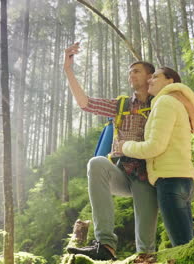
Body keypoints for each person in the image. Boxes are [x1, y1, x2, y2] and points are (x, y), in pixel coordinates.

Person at [63, 42, 159, 260]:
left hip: (149, 176)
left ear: (150, 76)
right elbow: (85, 103)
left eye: (136, 71)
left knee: (146, 248)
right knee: (96, 163)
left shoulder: (162, 104)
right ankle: (105, 244)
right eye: (129, 72)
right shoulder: (121, 105)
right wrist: (68, 70)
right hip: (122, 172)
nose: (131, 75)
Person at [115, 67, 194, 247]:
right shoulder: (174, 102)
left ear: (170, 81)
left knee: (182, 249)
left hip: (170, 181)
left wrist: (124, 147)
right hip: (184, 180)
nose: (150, 80)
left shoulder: (164, 102)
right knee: (188, 245)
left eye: (155, 77)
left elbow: (154, 147)